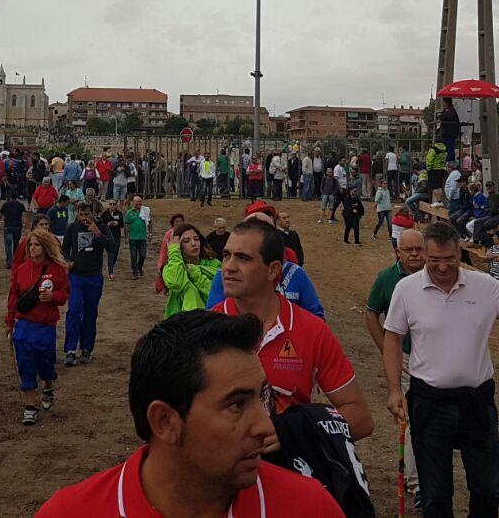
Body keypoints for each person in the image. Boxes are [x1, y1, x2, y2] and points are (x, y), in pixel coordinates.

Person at [37, 310, 344, 517]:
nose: (266, 426)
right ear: (165, 422)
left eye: (263, 397)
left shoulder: (309, 507)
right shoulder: (70, 512)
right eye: (236, 405)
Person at [380, 221, 499, 518]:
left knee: (488, 489)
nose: (442, 267)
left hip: (476, 402)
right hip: (429, 403)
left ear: (460, 252)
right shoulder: (406, 290)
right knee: (435, 493)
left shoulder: (484, 286)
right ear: (425, 256)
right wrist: (394, 390)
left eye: (450, 259)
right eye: (434, 261)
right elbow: (392, 338)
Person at [211, 219, 373, 440]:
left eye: (243, 258)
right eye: (226, 255)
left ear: (273, 269)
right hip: (223, 469)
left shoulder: (311, 330)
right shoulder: (207, 330)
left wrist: (294, 434)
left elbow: (360, 418)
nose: (228, 266)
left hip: (290, 468)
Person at [366, 228, 426, 505]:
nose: (415, 254)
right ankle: (417, 485)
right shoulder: (386, 278)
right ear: (397, 251)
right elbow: (371, 314)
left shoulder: (437, 274)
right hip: (405, 359)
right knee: (412, 419)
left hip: (436, 359)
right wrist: (386, 349)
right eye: (409, 250)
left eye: (419, 249)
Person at [7, 228, 69, 425]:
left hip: (45, 325)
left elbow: (64, 294)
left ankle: (48, 385)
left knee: (45, 363)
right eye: (30, 245)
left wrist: (53, 297)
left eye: (36, 244)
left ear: (46, 246)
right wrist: (9, 322)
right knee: (25, 364)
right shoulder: (21, 270)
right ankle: (30, 407)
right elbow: (13, 297)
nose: (32, 248)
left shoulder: (57, 269)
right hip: (24, 324)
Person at [61, 203, 116, 367]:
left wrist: (98, 234)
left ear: (93, 213)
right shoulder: (72, 228)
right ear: (77, 214)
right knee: (74, 311)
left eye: (87, 214)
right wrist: (68, 261)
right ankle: (70, 350)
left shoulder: (102, 227)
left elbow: (112, 247)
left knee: (91, 313)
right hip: (76, 276)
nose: (84, 218)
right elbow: (64, 250)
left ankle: (86, 349)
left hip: (94, 277)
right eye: (81, 214)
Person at [163, 225, 219, 316]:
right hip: (180, 324)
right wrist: (174, 251)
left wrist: (195, 273)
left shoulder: (214, 264)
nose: (193, 243)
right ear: (178, 246)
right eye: (186, 241)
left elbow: (216, 295)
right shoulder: (170, 267)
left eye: (196, 239)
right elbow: (176, 283)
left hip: (211, 320)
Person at [0, 194, 26, 270]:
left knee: (8, 245)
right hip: (17, 227)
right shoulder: (20, 205)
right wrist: (24, 226)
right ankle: (16, 261)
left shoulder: (5, 205)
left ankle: (9, 263)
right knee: (16, 245)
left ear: (9, 197)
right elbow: (24, 217)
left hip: (8, 227)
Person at [124, 196, 149, 279]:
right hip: (133, 238)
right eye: (137, 202)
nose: (138, 203)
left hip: (142, 237)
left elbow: (150, 221)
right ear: (133, 203)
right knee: (133, 256)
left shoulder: (145, 211)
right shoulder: (129, 213)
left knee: (143, 255)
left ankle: (139, 267)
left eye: (140, 202)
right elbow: (126, 226)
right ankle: (135, 272)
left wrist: (151, 233)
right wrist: (126, 237)